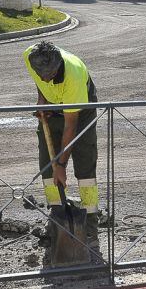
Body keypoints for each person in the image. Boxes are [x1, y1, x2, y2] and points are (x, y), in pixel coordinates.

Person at [23, 41, 100, 242]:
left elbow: (70, 126)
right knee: (47, 166)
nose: (44, 79)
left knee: (84, 166)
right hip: (50, 108)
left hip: (80, 114)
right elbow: (39, 80)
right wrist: (42, 98)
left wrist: (62, 164)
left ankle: (90, 222)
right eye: (41, 76)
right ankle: (56, 215)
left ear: (57, 67)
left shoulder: (72, 75)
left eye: (49, 76)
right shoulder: (30, 56)